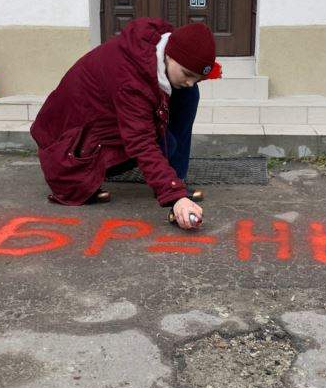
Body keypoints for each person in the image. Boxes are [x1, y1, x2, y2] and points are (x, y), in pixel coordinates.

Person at [30, 18, 220, 230]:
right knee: (165, 142)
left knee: (188, 94)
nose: (189, 81)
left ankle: (175, 181)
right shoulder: (131, 79)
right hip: (67, 148)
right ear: (169, 54)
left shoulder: (157, 51)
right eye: (187, 74)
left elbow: (182, 85)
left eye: (197, 77)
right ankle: (173, 191)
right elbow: (140, 141)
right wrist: (174, 197)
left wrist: (175, 188)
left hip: (100, 123)